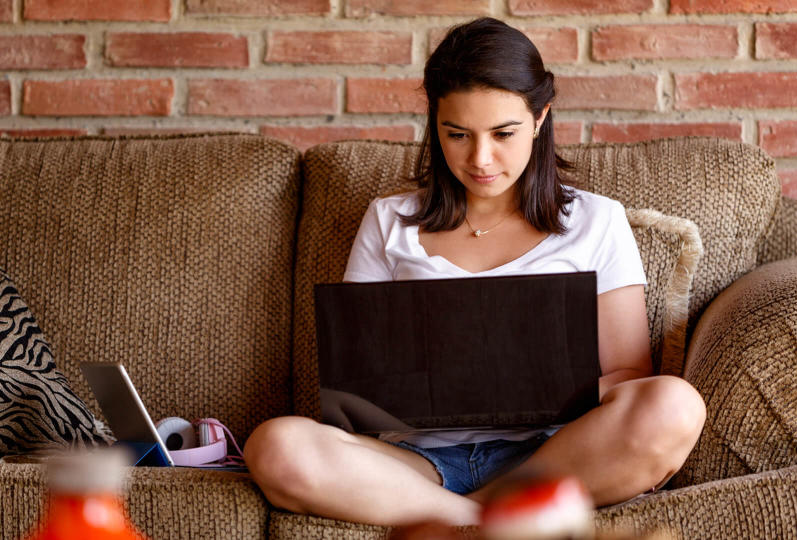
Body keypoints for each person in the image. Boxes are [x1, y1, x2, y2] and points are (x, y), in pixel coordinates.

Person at [243, 17, 706, 527]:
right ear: (435, 125)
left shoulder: (598, 221)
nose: (480, 159)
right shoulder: (388, 220)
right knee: (276, 445)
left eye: (502, 133)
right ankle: (489, 521)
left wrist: (524, 385)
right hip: (414, 463)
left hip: (551, 453)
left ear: (539, 118)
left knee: (675, 405)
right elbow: (360, 390)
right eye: (457, 134)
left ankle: (464, 517)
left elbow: (630, 375)